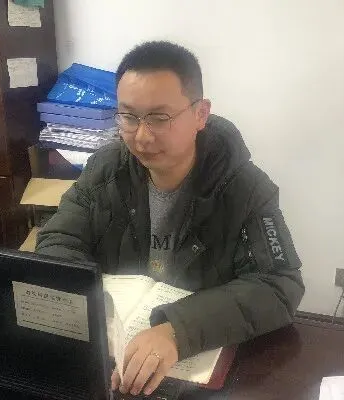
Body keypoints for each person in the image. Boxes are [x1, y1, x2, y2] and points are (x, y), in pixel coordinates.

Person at [36, 41, 305, 396]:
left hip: (197, 368)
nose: (142, 136)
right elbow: (58, 241)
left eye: (159, 118)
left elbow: (279, 286)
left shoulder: (245, 188)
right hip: (112, 361)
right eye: (129, 117)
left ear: (200, 114)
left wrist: (177, 331)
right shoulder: (105, 169)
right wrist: (86, 306)